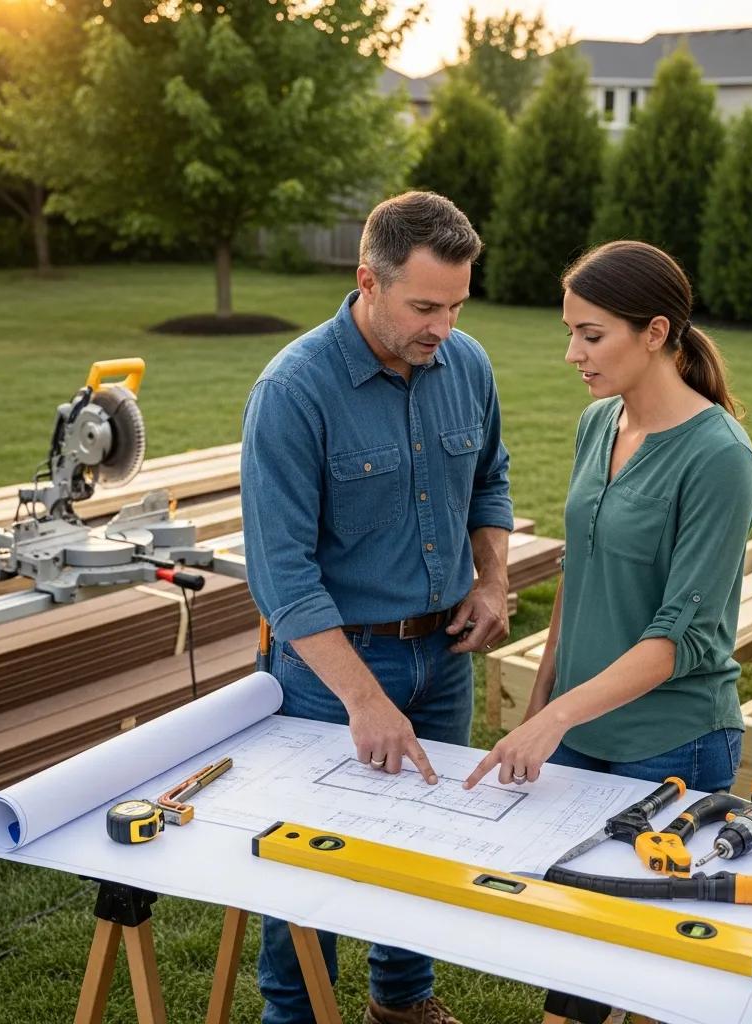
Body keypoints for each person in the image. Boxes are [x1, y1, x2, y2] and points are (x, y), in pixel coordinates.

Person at [242, 191, 514, 1024]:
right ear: (368, 281)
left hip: (445, 656)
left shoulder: (467, 364)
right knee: (312, 854)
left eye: (458, 305)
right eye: (426, 307)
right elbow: (283, 577)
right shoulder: (294, 391)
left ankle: (401, 1002)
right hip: (331, 670)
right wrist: (364, 698)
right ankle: (296, 1016)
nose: (444, 327)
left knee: (425, 835)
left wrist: (492, 580)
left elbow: (491, 480)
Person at [464, 240, 752, 797]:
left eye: (592, 336)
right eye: (570, 332)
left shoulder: (720, 457)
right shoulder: (597, 423)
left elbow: (681, 637)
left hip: (670, 744)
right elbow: (577, 573)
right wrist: (541, 704)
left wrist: (555, 718)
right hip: (574, 728)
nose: (572, 353)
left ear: (654, 332)